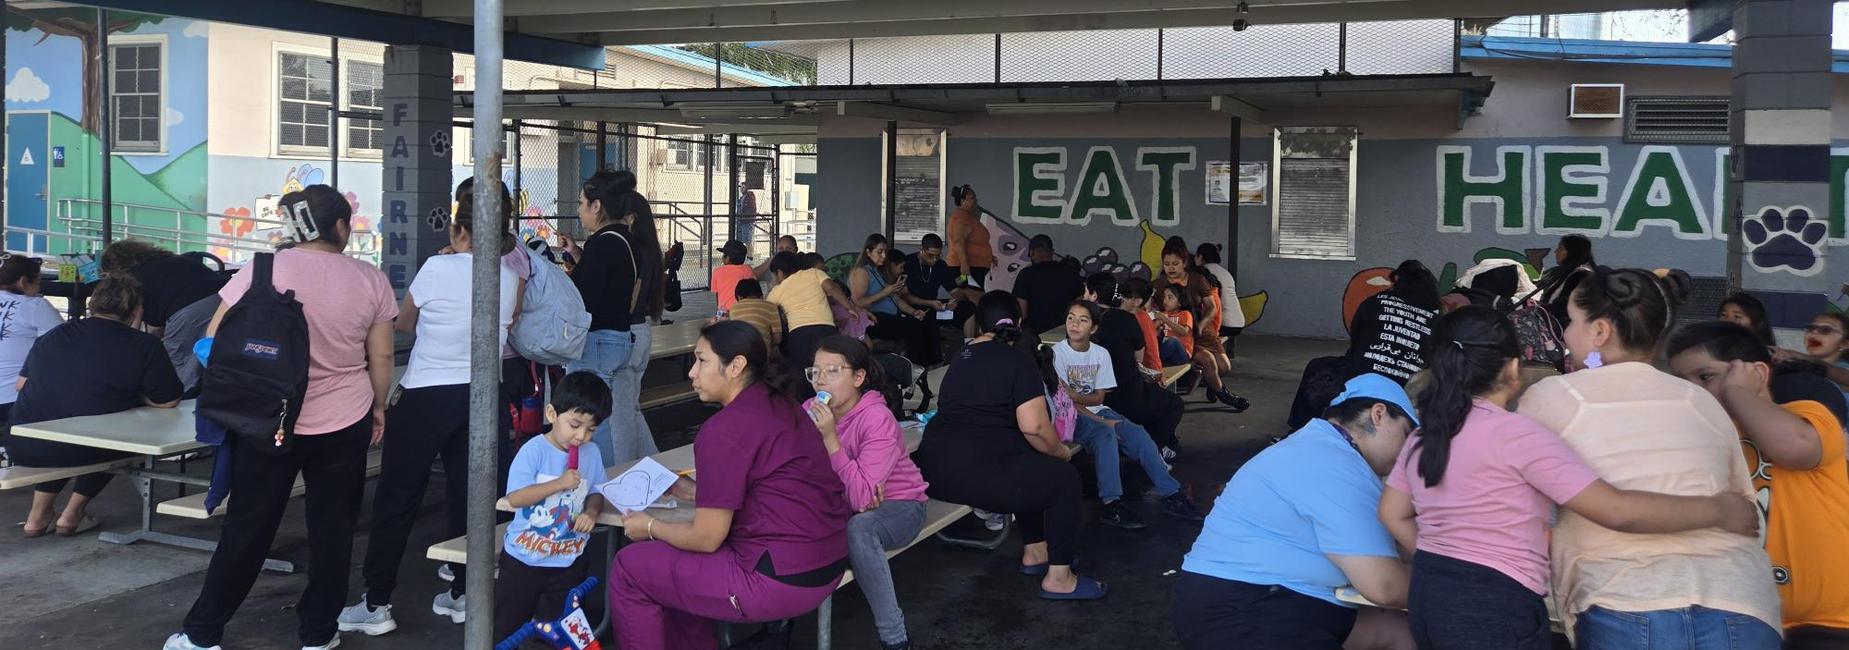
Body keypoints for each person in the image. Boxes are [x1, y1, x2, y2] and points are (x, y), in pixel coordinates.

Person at [1378, 306, 1762, 649]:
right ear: (1512, 368)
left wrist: (1446, 559)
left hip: (1430, 591)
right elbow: (1617, 510)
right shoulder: (1517, 435)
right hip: (1493, 601)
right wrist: (1721, 510)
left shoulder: (1425, 436)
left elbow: (1392, 514)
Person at [169, 184, 398, 650]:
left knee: (249, 526)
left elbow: (213, 341)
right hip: (345, 417)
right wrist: (377, 408)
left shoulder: (263, 269)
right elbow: (381, 359)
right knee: (333, 530)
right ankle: (318, 634)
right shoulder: (370, 279)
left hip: (266, 419)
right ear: (340, 227)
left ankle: (202, 634)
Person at [1515, 268, 1783, 646]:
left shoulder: (1553, 396)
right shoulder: (1700, 400)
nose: (1566, 333)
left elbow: (1520, 503)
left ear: (1599, 332)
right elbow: (1745, 513)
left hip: (1625, 599)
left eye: (1571, 321)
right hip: (1740, 599)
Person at [336, 195, 520, 635]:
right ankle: (463, 593)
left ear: (458, 232)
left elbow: (402, 323)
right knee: (473, 495)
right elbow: (506, 323)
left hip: (426, 394)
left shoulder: (437, 268)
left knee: (397, 498)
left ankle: (377, 602)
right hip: (483, 394)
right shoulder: (512, 276)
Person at [610, 321, 854, 648]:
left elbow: (707, 538)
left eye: (702, 360)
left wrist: (651, 526)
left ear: (736, 366)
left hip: (777, 579)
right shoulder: (785, 406)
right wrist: (698, 493)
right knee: (674, 567)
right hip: (829, 562)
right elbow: (771, 486)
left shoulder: (724, 429)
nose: (692, 373)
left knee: (631, 567)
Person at [1173, 374, 1416, 649]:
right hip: (1242, 607)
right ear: (1379, 414)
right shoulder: (1333, 463)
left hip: (1272, 599)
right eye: (1407, 435)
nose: (1409, 452)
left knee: (1400, 632)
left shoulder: (1323, 448)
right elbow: (1385, 587)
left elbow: (1389, 547)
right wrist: (1455, 587)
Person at [913, 292, 1106, 600]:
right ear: (1018, 322)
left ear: (977, 326)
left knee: (1027, 462)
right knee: (1064, 479)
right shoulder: (1019, 359)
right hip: (977, 477)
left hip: (935, 472)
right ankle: (1059, 578)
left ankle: (1036, 551)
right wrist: (1061, 452)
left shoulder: (959, 359)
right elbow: (1035, 427)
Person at [1668, 322, 1849, 647]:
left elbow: (1796, 448)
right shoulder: (1699, 440)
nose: (1694, 391)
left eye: (1706, 377)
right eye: (1683, 383)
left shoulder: (1806, 415)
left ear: (1758, 373)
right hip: (1737, 618)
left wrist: (1737, 392)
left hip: (1827, 625)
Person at [11, 275, 179, 537]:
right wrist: (134, 396)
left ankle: (37, 515)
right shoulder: (144, 345)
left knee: (63, 425)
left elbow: (21, 384)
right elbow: (167, 400)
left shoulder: (57, 334)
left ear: (93, 304)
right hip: (87, 447)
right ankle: (72, 513)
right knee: (116, 442)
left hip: (23, 443)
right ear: (137, 310)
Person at [802, 336, 928, 650]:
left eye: (832, 371)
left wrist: (830, 439)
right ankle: (776, 622)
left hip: (901, 506)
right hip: (837, 504)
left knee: (862, 527)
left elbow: (860, 499)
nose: (820, 380)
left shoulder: (877, 419)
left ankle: (895, 638)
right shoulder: (809, 410)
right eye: (815, 372)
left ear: (858, 377)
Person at [1052, 301, 1204, 529]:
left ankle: (1171, 494)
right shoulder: (1057, 354)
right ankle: (1111, 504)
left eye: (1082, 320)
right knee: (1105, 434)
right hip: (1069, 415)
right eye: (1070, 318)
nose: (1074, 325)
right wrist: (1101, 420)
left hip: (1097, 410)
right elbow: (1064, 403)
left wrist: (1083, 401)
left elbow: (1099, 398)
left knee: (1138, 435)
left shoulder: (1100, 354)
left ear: (1093, 328)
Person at [493, 371, 611, 641]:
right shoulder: (534, 451)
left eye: (591, 429)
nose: (581, 436)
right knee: (507, 629)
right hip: (523, 561)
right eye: (574, 424)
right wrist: (558, 484)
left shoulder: (591, 454)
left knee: (563, 632)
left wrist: (592, 512)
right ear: (551, 413)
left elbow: (595, 492)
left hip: (568, 561)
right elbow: (516, 498)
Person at [562, 170, 656, 469]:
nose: (579, 210)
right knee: (608, 418)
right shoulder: (627, 241)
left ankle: (597, 483)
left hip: (598, 342)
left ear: (597, 206)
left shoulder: (603, 243)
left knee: (589, 421)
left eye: (582, 203)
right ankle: (609, 479)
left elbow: (587, 298)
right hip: (618, 338)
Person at [99, 239, 229, 394]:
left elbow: (144, 320)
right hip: (226, 300)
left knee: (177, 359)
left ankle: (178, 398)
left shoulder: (133, 278)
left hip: (189, 309)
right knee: (209, 352)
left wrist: (134, 344)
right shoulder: (176, 261)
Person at [1085, 273, 1187, 452]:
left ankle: (1156, 448)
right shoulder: (1131, 319)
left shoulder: (1086, 320)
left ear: (1094, 295)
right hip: (1125, 393)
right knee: (1173, 404)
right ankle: (1153, 451)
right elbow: (1139, 360)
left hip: (1095, 393)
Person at [1156, 240, 1245, 409]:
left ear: (1185, 263)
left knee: (1224, 367)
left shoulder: (1198, 280)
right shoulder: (1159, 284)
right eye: (1167, 264)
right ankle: (1224, 395)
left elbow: (1212, 307)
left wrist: (1202, 325)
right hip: (1179, 333)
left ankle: (1213, 384)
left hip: (1201, 329)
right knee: (1208, 360)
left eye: (1175, 263)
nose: (1171, 268)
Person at [848, 234, 941, 366]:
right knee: (913, 327)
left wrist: (914, 311)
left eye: (885, 252)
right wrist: (884, 292)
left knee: (922, 322)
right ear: (868, 252)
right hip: (871, 319)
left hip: (886, 316)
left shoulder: (875, 271)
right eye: (879, 252)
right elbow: (858, 303)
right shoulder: (861, 271)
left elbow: (895, 299)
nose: (884, 256)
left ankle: (926, 364)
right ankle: (913, 366)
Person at [1345, 260, 1439, 385]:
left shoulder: (1374, 302)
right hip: (1408, 390)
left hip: (1360, 380)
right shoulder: (1436, 317)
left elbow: (1356, 338)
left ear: (1397, 280)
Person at [766, 251, 858, 373]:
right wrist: (849, 307)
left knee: (803, 373)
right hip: (826, 329)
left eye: (774, 276)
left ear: (780, 273)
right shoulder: (814, 273)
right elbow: (831, 288)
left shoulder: (775, 292)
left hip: (798, 334)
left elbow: (767, 310)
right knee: (829, 369)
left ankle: (807, 392)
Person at [0, 255, 63, 429]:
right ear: (23, 282)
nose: (39, 286)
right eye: (38, 281)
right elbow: (62, 345)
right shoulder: (34, 306)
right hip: (13, 399)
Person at [1013, 234, 1084, 336]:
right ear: (1052, 252)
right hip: (1065, 334)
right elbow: (1081, 304)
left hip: (1035, 335)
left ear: (1032, 252)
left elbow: (1021, 312)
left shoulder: (1026, 274)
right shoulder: (1070, 272)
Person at [1194, 243, 1243, 358]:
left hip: (1225, 324)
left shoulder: (1204, 272)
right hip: (1239, 322)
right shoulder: (1224, 272)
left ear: (1200, 256)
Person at [1538, 234, 1596, 325]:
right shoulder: (1567, 272)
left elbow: (1565, 307)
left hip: (1562, 329)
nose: (1556, 251)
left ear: (1573, 251)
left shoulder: (1581, 276)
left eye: (1561, 248)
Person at [944, 185, 991, 288]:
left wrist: (989, 257)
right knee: (972, 295)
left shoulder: (966, 216)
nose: (976, 200)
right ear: (963, 201)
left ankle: (955, 288)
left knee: (963, 292)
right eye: (972, 198)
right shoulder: (961, 218)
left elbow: (971, 242)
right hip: (966, 269)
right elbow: (958, 241)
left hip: (972, 268)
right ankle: (953, 287)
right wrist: (964, 264)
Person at [724, 279, 782, 354]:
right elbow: (778, 339)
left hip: (741, 355)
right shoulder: (771, 306)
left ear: (739, 297)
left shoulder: (734, 308)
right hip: (763, 354)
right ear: (761, 296)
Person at [1122, 278, 1164, 375]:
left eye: (1126, 296)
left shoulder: (1143, 318)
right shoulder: (1122, 315)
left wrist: (1157, 373)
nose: (1122, 298)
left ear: (1137, 301)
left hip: (1141, 371)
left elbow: (1152, 348)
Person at [1152, 284, 1196, 368]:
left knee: (1173, 341)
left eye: (1170, 297)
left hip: (1181, 354)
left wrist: (1165, 320)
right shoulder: (1164, 314)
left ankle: (1154, 363)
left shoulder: (1185, 314)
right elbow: (1152, 331)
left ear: (1180, 302)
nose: (1165, 300)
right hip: (1167, 352)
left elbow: (1183, 332)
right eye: (1164, 297)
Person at [712, 239, 755, 314]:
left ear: (727, 258)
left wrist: (719, 310)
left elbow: (717, 295)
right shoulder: (748, 270)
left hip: (725, 312)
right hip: (744, 311)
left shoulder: (717, 271)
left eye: (723, 255)